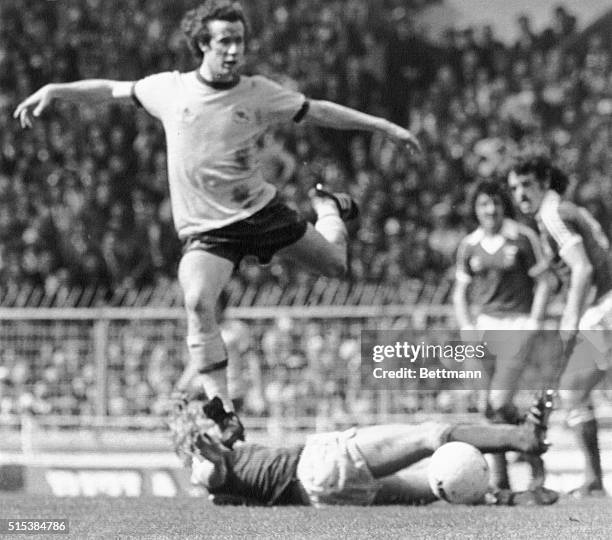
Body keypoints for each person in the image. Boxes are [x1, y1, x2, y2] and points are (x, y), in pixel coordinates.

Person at [14, 0, 421, 447]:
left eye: (239, 41)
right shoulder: (169, 90)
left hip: (260, 213)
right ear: (202, 45)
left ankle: (328, 210)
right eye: (224, 41)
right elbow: (109, 89)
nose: (234, 50)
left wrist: (384, 126)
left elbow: (319, 109)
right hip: (209, 232)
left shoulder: (257, 92)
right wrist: (55, 88)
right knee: (196, 301)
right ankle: (223, 410)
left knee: (336, 267)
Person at [177, 392, 556, 507]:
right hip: (318, 464)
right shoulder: (205, 467)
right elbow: (213, 472)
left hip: (322, 496)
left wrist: (219, 423)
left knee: (432, 489)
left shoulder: (225, 457)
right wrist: (210, 454)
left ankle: (513, 499)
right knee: (428, 435)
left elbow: (230, 436)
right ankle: (522, 438)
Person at [507, 153, 611, 497]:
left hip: (603, 309)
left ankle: (595, 482)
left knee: (572, 391)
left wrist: (570, 319)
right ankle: (594, 481)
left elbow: (581, 269)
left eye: (526, 185)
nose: (520, 193)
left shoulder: (552, 213)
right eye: (514, 187)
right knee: (574, 392)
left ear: (544, 183)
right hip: (602, 309)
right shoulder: (560, 210)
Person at [453, 179, 551, 491]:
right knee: (486, 407)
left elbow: (546, 282)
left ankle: (526, 458)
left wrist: (535, 321)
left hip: (516, 327)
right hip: (483, 328)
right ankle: (504, 474)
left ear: (502, 205)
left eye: (494, 203)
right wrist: (467, 325)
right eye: (483, 204)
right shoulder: (469, 244)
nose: (490, 209)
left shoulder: (522, 238)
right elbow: (460, 292)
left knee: (497, 401)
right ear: (476, 209)